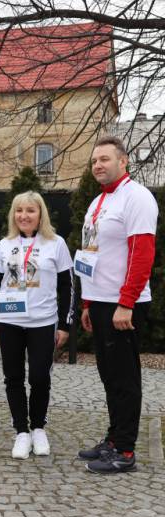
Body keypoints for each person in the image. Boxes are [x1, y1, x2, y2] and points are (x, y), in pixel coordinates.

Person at [75, 136, 157, 474]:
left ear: (123, 161)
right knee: (109, 376)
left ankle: (125, 450)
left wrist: (126, 302)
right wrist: (87, 302)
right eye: (95, 160)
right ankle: (113, 438)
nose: (98, 165)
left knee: (124, 379)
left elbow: (142, 253)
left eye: (105, 159)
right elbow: (91, 253)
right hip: (100, 301)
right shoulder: (98, 202)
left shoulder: (137, 197)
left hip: (123, 304)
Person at [0, 192, 73, 458]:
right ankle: (21, 432)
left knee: (39, 377)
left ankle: (38, 428)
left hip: (43, 321)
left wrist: (65, 325)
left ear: (40, 214)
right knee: (13, 377)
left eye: (30, 210)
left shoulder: (56, 243)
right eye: (19, 210)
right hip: (9, 320)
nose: (24, 216)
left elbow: (67, 286)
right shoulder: (4, 245)